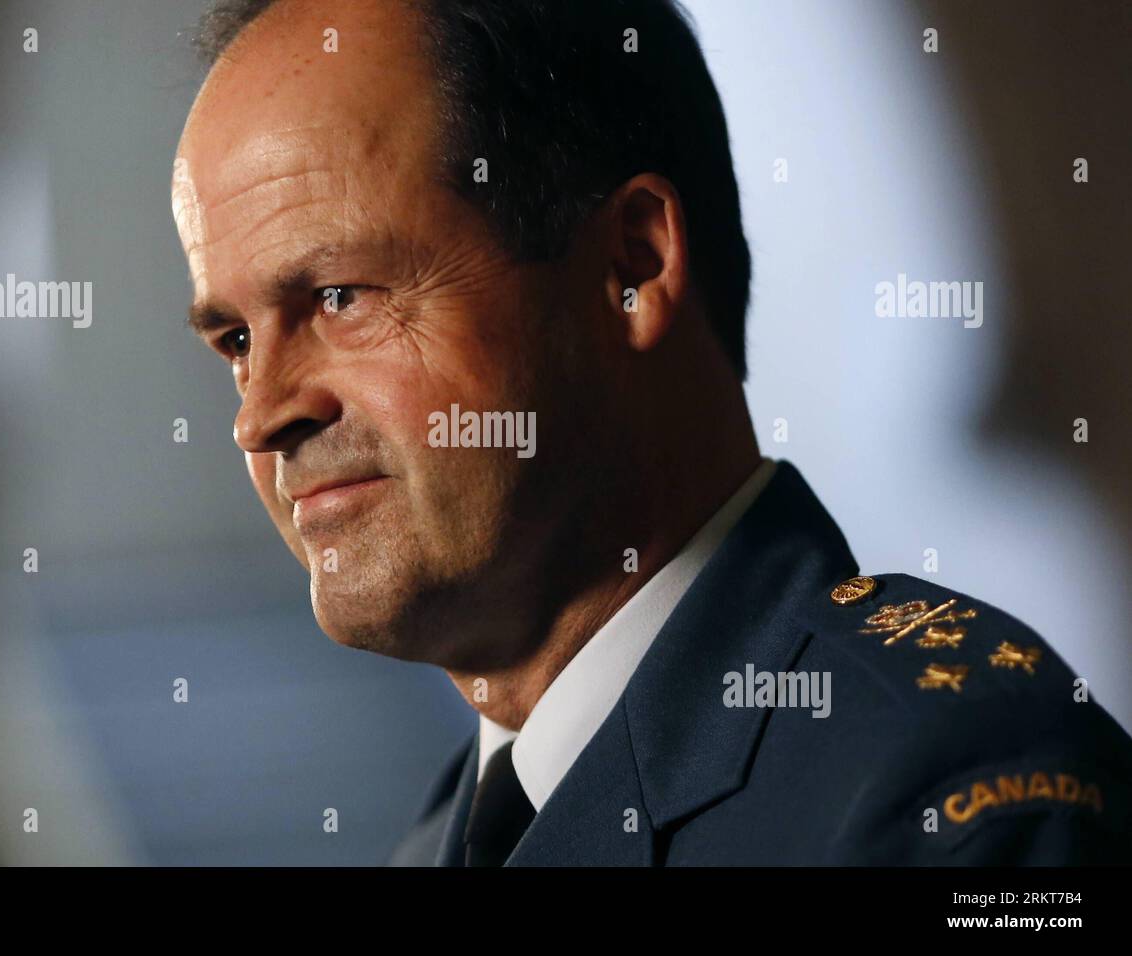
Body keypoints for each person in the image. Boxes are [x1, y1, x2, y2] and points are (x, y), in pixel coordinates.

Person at [171, 0, 1132, 865]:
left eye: (340, 297)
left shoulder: (954, 805)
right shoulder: (435, 848)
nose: (261, 415)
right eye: (235, 341)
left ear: (632, 267)